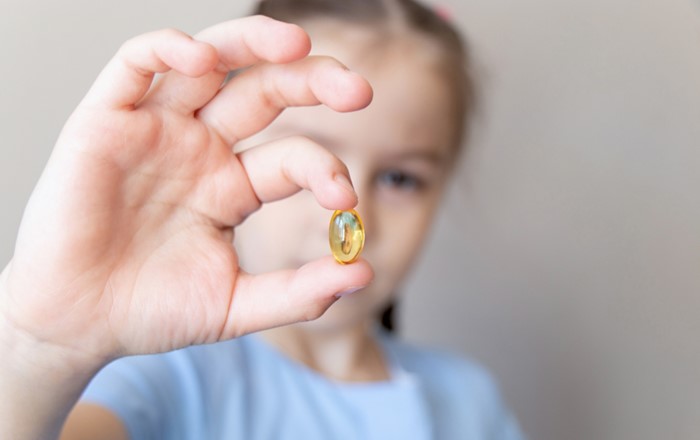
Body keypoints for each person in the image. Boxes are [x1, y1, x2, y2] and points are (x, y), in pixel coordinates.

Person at [0, 0, 524, 439]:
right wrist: (39, 350)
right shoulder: (162, 377)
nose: (351, 211)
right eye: (309, 160)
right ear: (236, 150)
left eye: (400, 179)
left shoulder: (468, 401)